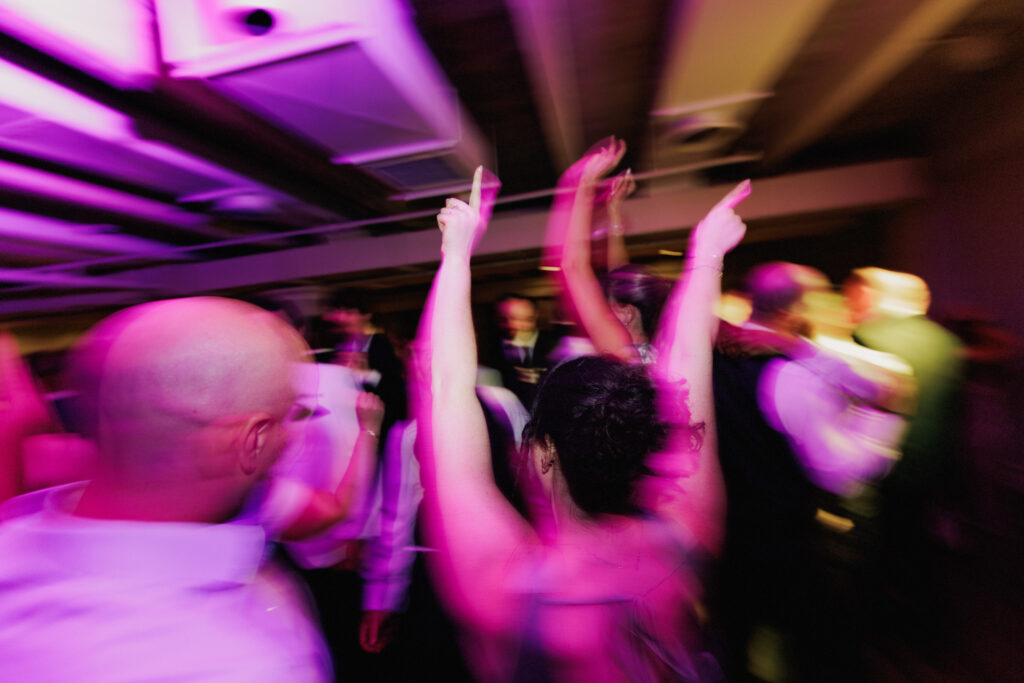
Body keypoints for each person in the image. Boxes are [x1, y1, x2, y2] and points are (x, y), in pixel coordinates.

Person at [417, 166, 748, 681]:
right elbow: (687, 364)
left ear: (544, 453)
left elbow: (444, 389)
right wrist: (706, 257)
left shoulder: (503, 591)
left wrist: (456, 253)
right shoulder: (689, 535)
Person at [0, 297, 331, 681]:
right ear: (251, 441)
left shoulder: (12, 538)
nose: (294, 436)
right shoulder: (235, 662)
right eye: (290, 416)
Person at [545, 138, 670, 365]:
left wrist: (580, 185)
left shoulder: (621, 352)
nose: (602, 306)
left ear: (628, 313)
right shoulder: (657, 346)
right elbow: (618, 274)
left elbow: (574, 267)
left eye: (609, 302)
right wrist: (612, 212)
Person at [483, 294, 559, 407]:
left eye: (526, 320)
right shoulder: (487, 346)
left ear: (535, 316)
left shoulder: (554, 344)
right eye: (506, 319)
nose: (514, 325)